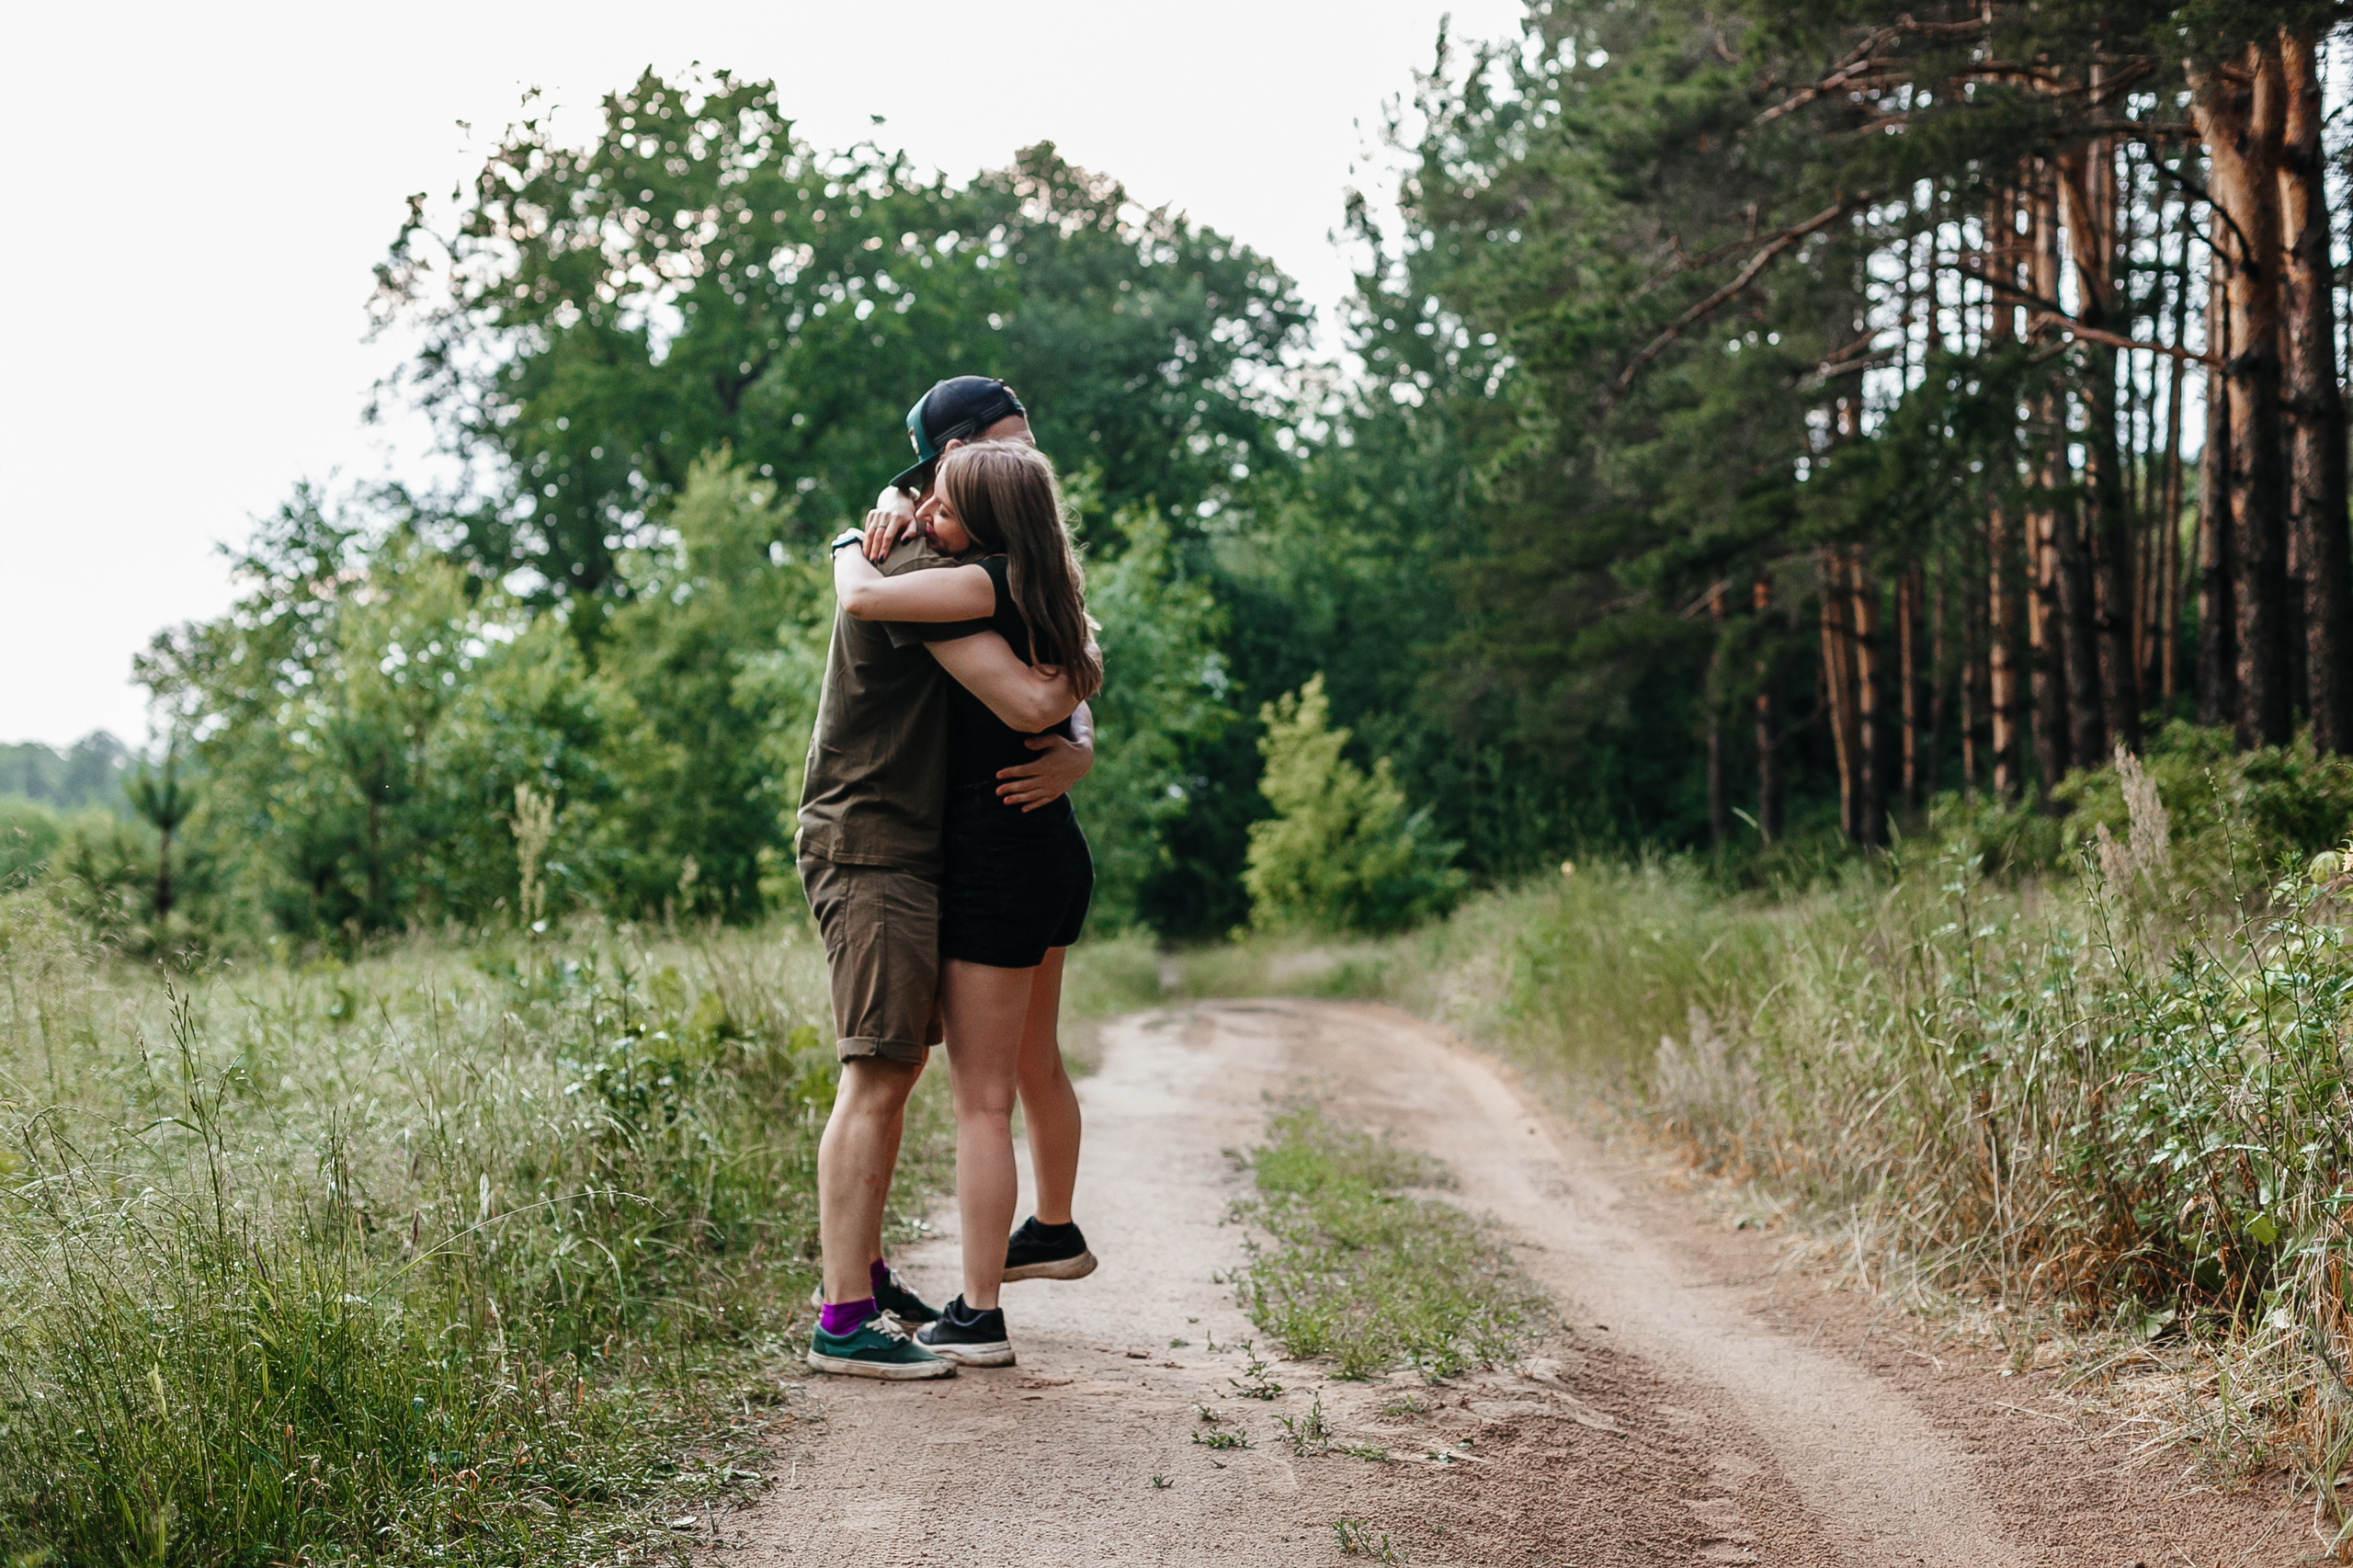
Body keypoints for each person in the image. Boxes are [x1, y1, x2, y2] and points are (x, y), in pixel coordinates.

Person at [800, 379, 1094, 1380]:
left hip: (932, 843)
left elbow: (1060, 660)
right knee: (880, 1069)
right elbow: (1028, 687)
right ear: (961, 458)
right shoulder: (923, 555)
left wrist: (1078, 744)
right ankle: (843, 1313)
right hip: (874, 834)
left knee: (904, 1068)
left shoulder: (974, 556)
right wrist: (853, 533)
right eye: (1015, 444)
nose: (1033, 461)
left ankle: (865, 1276)